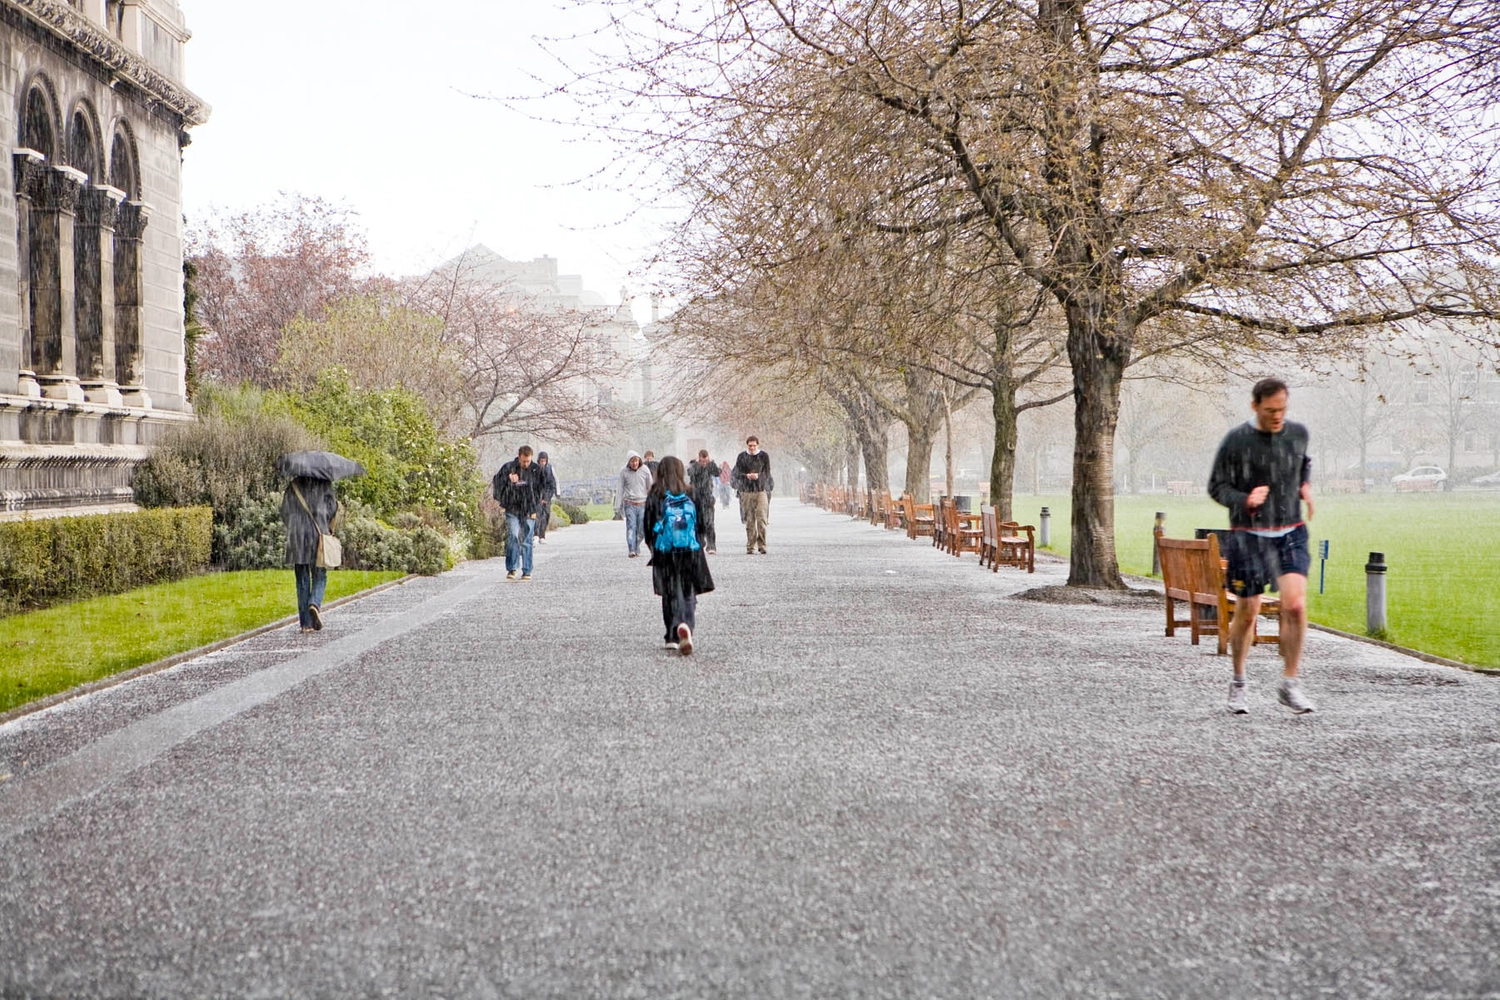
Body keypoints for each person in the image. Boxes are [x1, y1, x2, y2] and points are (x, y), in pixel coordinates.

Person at [1208, 377, 1317, 715]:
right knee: (1247, 611)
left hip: (1290, 532)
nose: (1277, 416)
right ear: (1254, 406)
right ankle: (1239, 682)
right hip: (1249, 536)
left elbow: (1302, 464)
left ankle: (1290, 684)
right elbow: (1217, 487)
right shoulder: (1236, 441)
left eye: (1282, 409)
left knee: (1295, 606)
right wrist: (1245, 499)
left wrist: (1304, 487)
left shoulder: (1297, 434)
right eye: (1270, 410)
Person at [643, 455, 714, 654]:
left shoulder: (655, 494)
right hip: (690, 550)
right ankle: (686, 625)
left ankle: (672, 635)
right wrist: (699, 542)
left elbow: (647, 526)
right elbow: (702, 522)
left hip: (665, 552)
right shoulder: (690, 492)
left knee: (670, 592)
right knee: (688, 590)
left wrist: (653, 546)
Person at [280, 475, 339, 632]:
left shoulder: (294, 486)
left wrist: (294, 525)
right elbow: (332, 509)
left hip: (297, 537)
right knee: (320, 574)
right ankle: (314, 603)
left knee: (302, 579)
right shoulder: (324, 484)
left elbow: (285, 511)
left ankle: (306, 624)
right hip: (318, 535)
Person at [494, 445, 544, 581]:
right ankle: (512, 567)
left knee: (527, 540)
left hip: (529, 509)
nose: (526, 464)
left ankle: (527, 570)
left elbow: (542, 489)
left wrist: (536, 508)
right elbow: (497, 484)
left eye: (528, 461)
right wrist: (508, 481)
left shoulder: (536, 470)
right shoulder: (508, 468)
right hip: (513, 509)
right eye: (523, 461)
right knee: (513, 535)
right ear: (519, 457)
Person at [732, 435, 772, 554]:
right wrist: (747, 476)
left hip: (761, 490)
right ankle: (750, 546)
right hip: (746, 491)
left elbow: (767, 473)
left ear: (758, 445)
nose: (752, 448)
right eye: (750, 446)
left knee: (761, 518)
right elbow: (737, 473)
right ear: (747, 445)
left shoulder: (764, 456)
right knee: (749, 520)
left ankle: (762, 545)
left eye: (754, 445)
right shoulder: (741, 457)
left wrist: (758, 476)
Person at [616, 451, 654, 557]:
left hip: (643, 503)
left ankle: (636, 544)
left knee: (642, 529)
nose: (634, 463)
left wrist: (652, 502)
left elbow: (650, 487)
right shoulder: (624, 472)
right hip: (630, 504)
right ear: (629, 462)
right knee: (631, 527)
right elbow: (620, 489)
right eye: (632, 461)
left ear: (639, 461)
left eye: (636, 461)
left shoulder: (645, 470)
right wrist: (617, 507)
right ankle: (631, 549)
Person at [688, 448, 719, 554]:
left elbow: (717, 473)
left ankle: (711, 546)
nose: (704, 463)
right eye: (702, 461)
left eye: (706, 461)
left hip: (708, 497)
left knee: (709, 522)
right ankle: (700, 542)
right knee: (698, 522)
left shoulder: (710, 465)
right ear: (699, 458)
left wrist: (711, 463)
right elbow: (690, 473)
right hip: (695, 498)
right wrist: (698, 464)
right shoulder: (693, 465)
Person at [534, 451, 559, 543]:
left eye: (544, 461)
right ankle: (536, 534)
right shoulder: (534, 469)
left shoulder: (550, 469)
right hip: (537, 497)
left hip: (547, 496)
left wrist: (547, 497)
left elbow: (553, 483)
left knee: (546, 515)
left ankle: (542, 535)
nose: (543, 463)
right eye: (541, 461)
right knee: (537, 516)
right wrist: (538, 498)